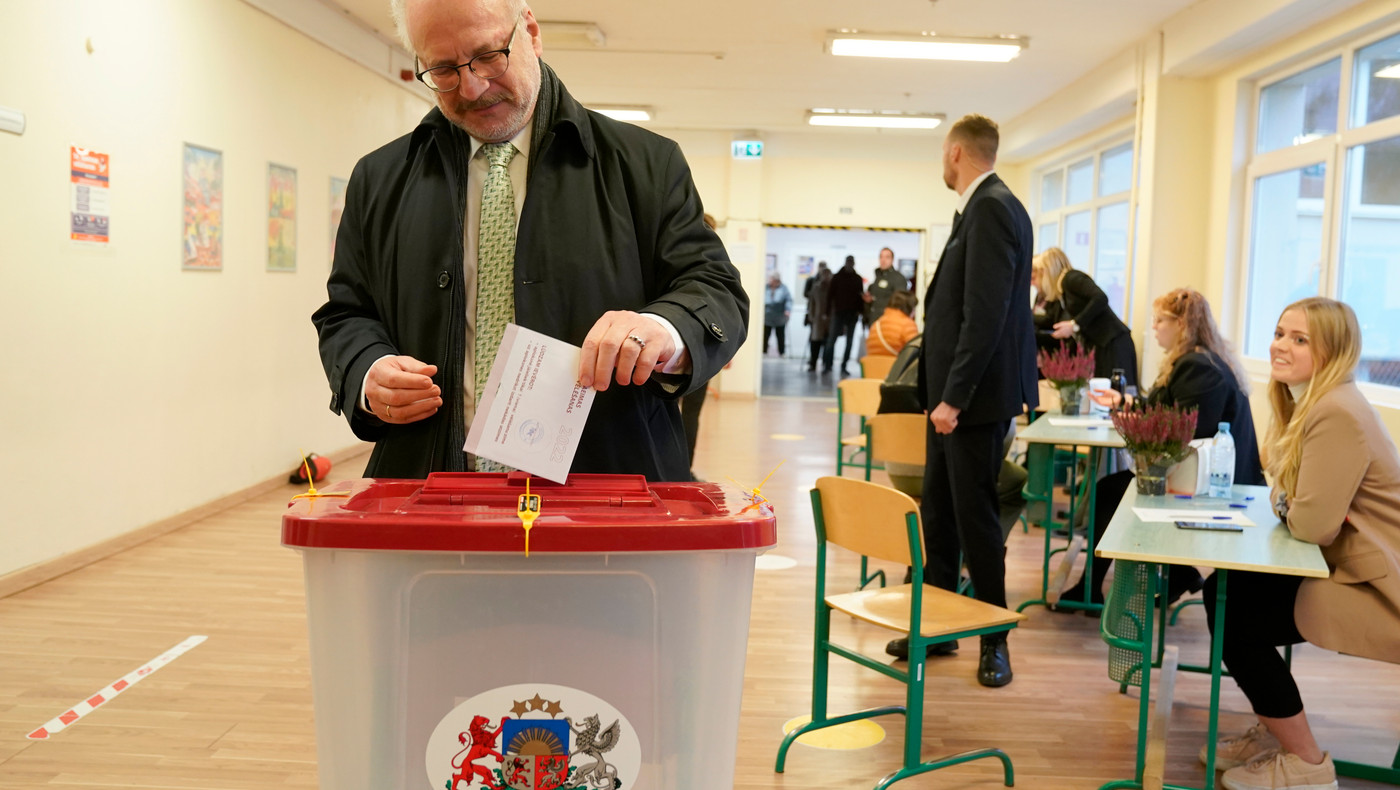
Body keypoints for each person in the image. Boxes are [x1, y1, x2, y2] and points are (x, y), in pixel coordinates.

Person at [313, 0, 747, 481]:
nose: (473, 86)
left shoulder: (646, 165)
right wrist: (368, 370)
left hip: (606, 495)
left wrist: (662, 329)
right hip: (428, 495)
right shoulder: (379, 179)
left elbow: (716, 292)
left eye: (488, 55)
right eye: (443, 69)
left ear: (532, 33)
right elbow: (346, 313)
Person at [1199, 297, 1400, 790]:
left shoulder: (1335, 412)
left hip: (1380, 585)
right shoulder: (1313, 400)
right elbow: (1297, 501)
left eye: (1299, 339)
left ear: (1332, 352)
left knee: (1236, 611)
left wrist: (1293, 506)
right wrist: (1296, 504)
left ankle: (1307, 763)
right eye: (1279, 332)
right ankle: (1278, 731)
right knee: (1229, 590)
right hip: (1350, 565)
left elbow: (1311, 525)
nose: (1279, 346)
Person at [884, 114, 1038, 689]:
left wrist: (954, 398)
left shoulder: (992, 207)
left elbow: (987, 314)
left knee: (975, 521)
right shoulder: (982, 207)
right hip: (951, 398)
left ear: (955, 153)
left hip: (969, 400)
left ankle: (994, 639)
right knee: (940, 515)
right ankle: (939, 628)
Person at [1059, 288, 1264, 608]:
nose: (1153, 327)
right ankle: (1178, 574)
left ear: (1182, 323)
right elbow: (1175, 414)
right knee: (1116, 490)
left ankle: (1092, 587)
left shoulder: (1198, 365)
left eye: (1159, 321)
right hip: (1205, 474)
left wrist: (1136, 416)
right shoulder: (1200, 359)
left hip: (1220, 485)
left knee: (1111, 492)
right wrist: (1127, 402)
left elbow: (1183, 432)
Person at [1034, 247, 1138, 388]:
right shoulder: (1063, 288)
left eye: (1041, 272)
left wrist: (1075, 324)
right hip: (1103, 344)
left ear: (1050, 269)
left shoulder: (1072, 278)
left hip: (1113, 342)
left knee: (1117, 393)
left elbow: (1101, 298)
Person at [824, 255, 865, 376]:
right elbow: (830, 296)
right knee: (831, 340)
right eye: (848, 262)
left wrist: (861, 313)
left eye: (851, 262)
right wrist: (827, 312)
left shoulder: (857, 279)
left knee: (849, 341)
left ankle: (844, 365)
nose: (850, 264)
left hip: (852, 314)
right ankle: (827, 364)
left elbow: (860, 297)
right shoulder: (837, 277)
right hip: (839, 313)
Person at [863, 247, 909, 327]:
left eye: (887, 257)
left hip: (888, 323)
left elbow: (900, 303)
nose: (883, 260)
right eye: (881, 257)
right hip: (874, 321)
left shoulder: (898, 278)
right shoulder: (878, 277)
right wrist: (869, 299)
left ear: (892, 260)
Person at [866, 291, 919, 357]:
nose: (915, 313)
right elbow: (914, 351)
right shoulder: (908, 325)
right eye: (914, 308)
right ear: (909, 308)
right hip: (895, 366)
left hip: (872, 366)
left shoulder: (876, 324)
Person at [805, 263, 832, 372]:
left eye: (827, 275)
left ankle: (827, 364)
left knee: (828, 344)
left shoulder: (832, 288)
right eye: (824, 274)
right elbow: (812, 304)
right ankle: (813, 363)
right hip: (817, 320)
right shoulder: (816, 287)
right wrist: (811, 317)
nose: (826, 277)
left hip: (829, 321)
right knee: (815, 343)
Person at [763, 274, 792, 356]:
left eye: (772, 280)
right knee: (765, 335)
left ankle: (782, 352)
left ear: (776, 281)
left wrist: (788, 310)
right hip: (767, 316)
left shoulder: (784, 288)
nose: (770, 281)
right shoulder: (766, 287)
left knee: (780, 335)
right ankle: (763, 351)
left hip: (779, 316)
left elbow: (788, 300)